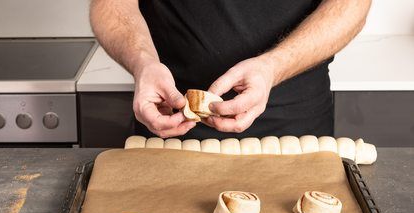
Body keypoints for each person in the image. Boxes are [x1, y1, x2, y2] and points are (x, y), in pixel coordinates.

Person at [90, 0, 371, 140]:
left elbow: (352, 4)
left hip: (296, 132)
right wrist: (143, 64)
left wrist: (273, 67)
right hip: (168, 124)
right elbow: (111, 4)